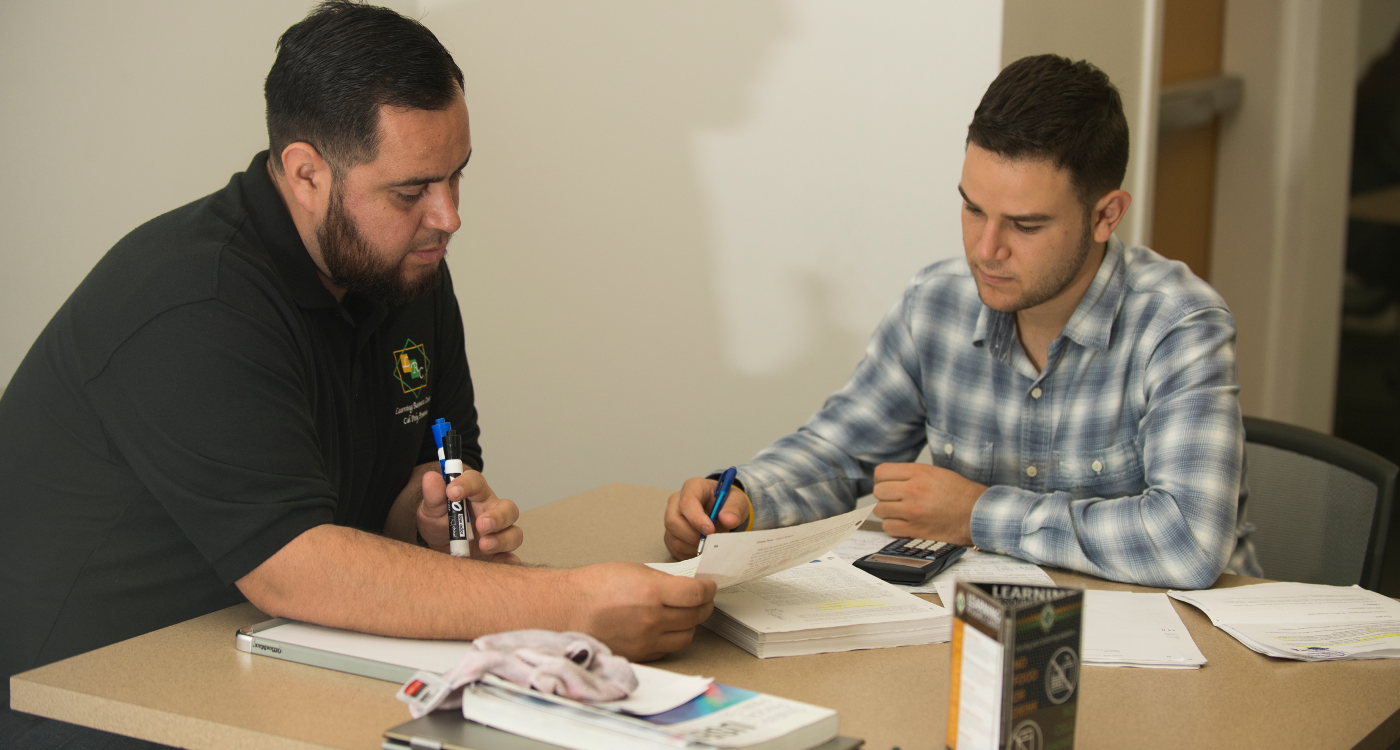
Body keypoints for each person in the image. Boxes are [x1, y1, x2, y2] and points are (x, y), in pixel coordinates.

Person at [0, 3, 714, 746]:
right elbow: (294, 565)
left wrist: (434, 515)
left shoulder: (405, 270)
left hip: (269, 662)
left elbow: (430, 469)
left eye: (456, 176)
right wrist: (564, 605)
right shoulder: (191, 300)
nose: (449, 216)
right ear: (307, 174)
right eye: (411, 191)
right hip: (86, 699)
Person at [664, 54, 1256, 591]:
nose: (986, 249)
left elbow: (1188, 542)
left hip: (1188, 656)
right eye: (973, 209)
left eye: (1025, 226)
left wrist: (976, 513)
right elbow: (836, 453)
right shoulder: (937, 302)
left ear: (1106, 216)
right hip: (984, 638)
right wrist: (743, 496)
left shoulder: (1179, 324)